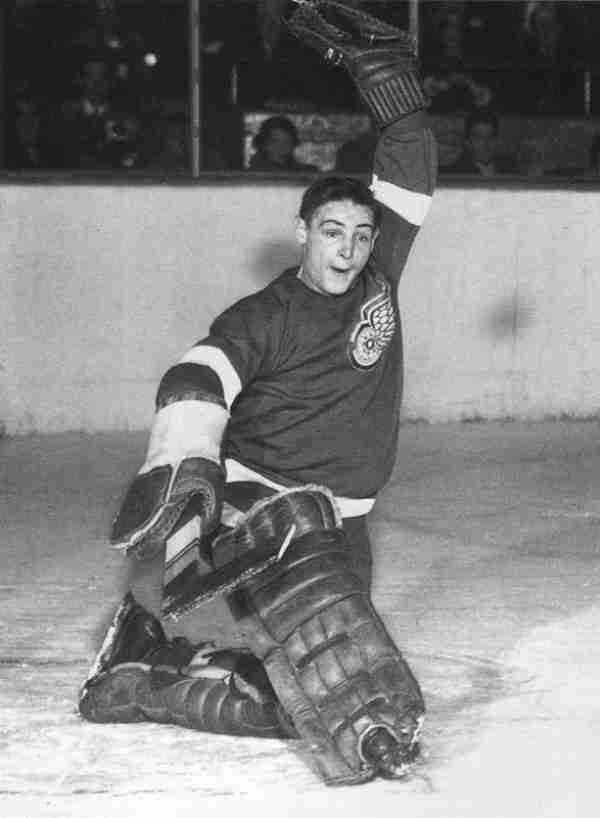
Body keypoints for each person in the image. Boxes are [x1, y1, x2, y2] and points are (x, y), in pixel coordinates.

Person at [78, 1, 437, 787]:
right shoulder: (267, 315)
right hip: (271, 518)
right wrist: (185, 451)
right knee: (315, 704)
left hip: (346, 522)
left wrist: (385, 77)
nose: (346, 248)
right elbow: (197, 373)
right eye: (331, 231)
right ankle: (142, 682)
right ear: (302, 231)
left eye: (360, 232)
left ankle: (150, 640)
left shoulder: (380, 277)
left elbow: (410, 155)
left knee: (348, 687)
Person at [443, 109, 518, 176]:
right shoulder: (455, 174)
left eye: (491, 136)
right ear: (467, 142)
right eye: (478, 137)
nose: (485, 143)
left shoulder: (510, 169)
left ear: (497, 141)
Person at [248, 115, 319, 172]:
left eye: (287, 141)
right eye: (275, 141)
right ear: (263, 144)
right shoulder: (252, 173)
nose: (282, 146)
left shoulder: (307, 172)